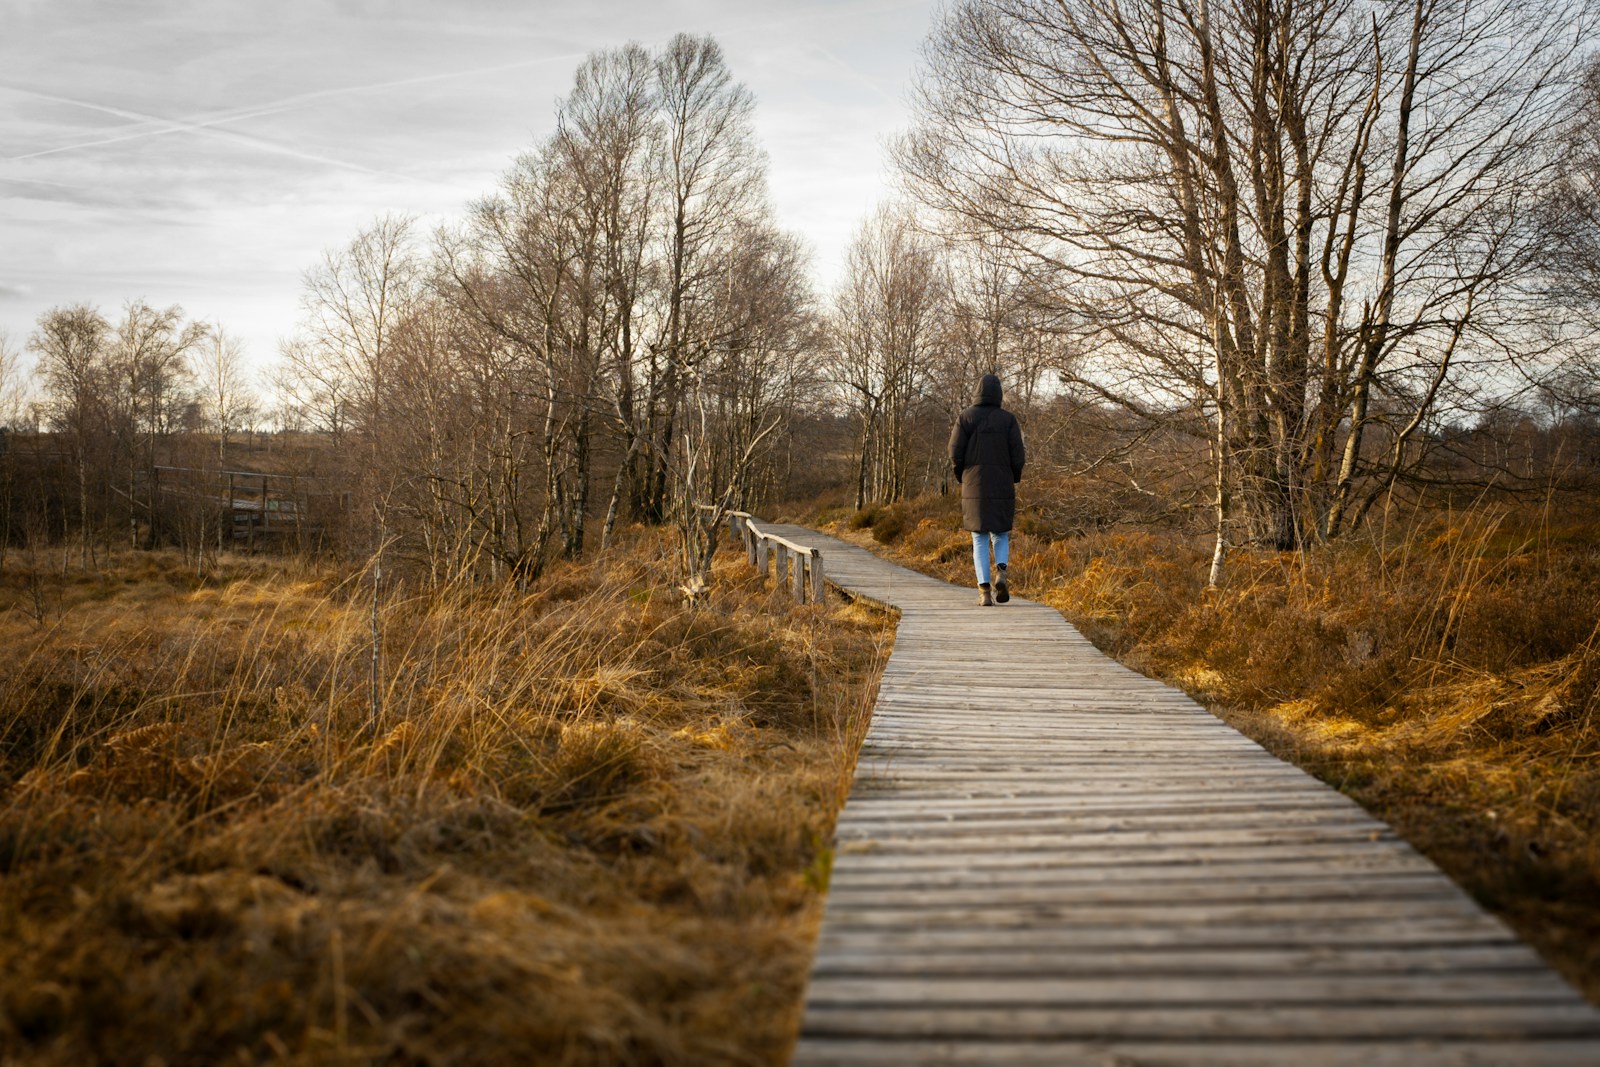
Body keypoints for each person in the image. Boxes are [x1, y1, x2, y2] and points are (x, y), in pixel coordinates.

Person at [949, 372, 1025, 606]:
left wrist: (962, 475)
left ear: (977, 391)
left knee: (979, 538)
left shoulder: (966, 418)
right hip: (1002, 482)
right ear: (999, 393)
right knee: (1000, 533)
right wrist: (1013, 476)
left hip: (974, 484)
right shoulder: (1009, 420)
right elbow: (1018, 455)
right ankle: (1001, 572)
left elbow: (954, 452)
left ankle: (984, 592)